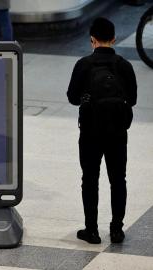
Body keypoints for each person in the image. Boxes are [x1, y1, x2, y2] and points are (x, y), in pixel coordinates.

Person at [67, 17, 137, 244]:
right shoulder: (124, 66)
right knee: (118, 179)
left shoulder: (83, 65)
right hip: (117, 132)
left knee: (90, 179)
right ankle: (116, 229)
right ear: (114, 39)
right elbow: (132, 99)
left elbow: (72, 98)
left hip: (90, 132)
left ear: (92, 40)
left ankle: (92, 230)